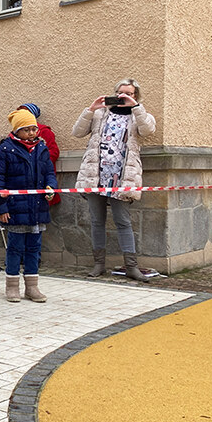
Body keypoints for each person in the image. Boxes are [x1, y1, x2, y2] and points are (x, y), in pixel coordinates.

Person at [73, 78, 156, 282]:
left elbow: (148, 131)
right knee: (96, 220)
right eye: (121, 93)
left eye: (130, 93)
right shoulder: (101, 114)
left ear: (136, 96)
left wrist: (136, 107)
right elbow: (77, 132)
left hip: (122, 177)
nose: (124, 96)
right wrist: (90, 109)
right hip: (96, 176)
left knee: (123, 221)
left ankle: (131, 266)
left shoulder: (140, 116)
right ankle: (98, 264)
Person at [0, 109, 57, 303]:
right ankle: (12, 286)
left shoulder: (41, 148)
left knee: (34, 248)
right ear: (16, 130)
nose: (31, 133)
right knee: (15, 248)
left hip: (37, 208)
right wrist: (1, 208)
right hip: (14, 209)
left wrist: (51, 187)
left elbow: (49, 173)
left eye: (33, 129)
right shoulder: (4, 150)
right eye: (26, 130)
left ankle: (32, 286)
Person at [18, 103, 61, 207]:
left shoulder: (44, 132)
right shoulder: (17, 133)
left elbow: (54, 152)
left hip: (40, 176)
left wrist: (36, 160)